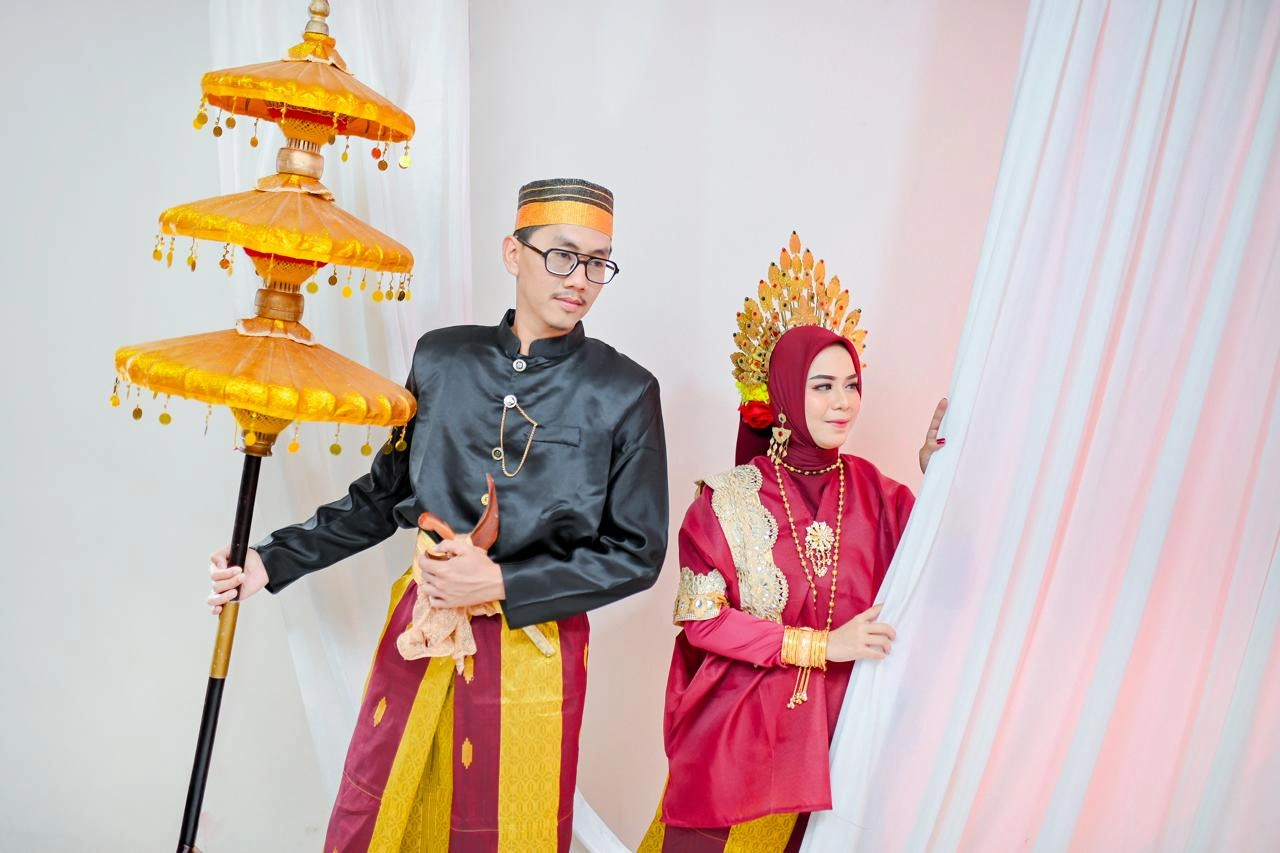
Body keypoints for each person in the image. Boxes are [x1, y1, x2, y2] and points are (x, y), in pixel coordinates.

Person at [207, 178, 670, 852]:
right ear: (513, 252)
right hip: (422, 626)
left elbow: (636, 552)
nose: (580, 279)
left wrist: (503, 581)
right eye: (562, 255)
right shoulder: (442, 358)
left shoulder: (624, 390)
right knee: (383, 812)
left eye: (598, 263)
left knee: (509, 827)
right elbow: (383, 496)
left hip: (535, 646)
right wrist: (269, 560)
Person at [638, 266, 945, 851]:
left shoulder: (882, 497)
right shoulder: (726, 500)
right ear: (782, 395)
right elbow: (704, 622)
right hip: (742, 741)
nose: (843, 403)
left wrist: (939, 479)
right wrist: (822, 646)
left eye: (851, 385)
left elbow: (946, 581)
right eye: (822, 386)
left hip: (846, 741)